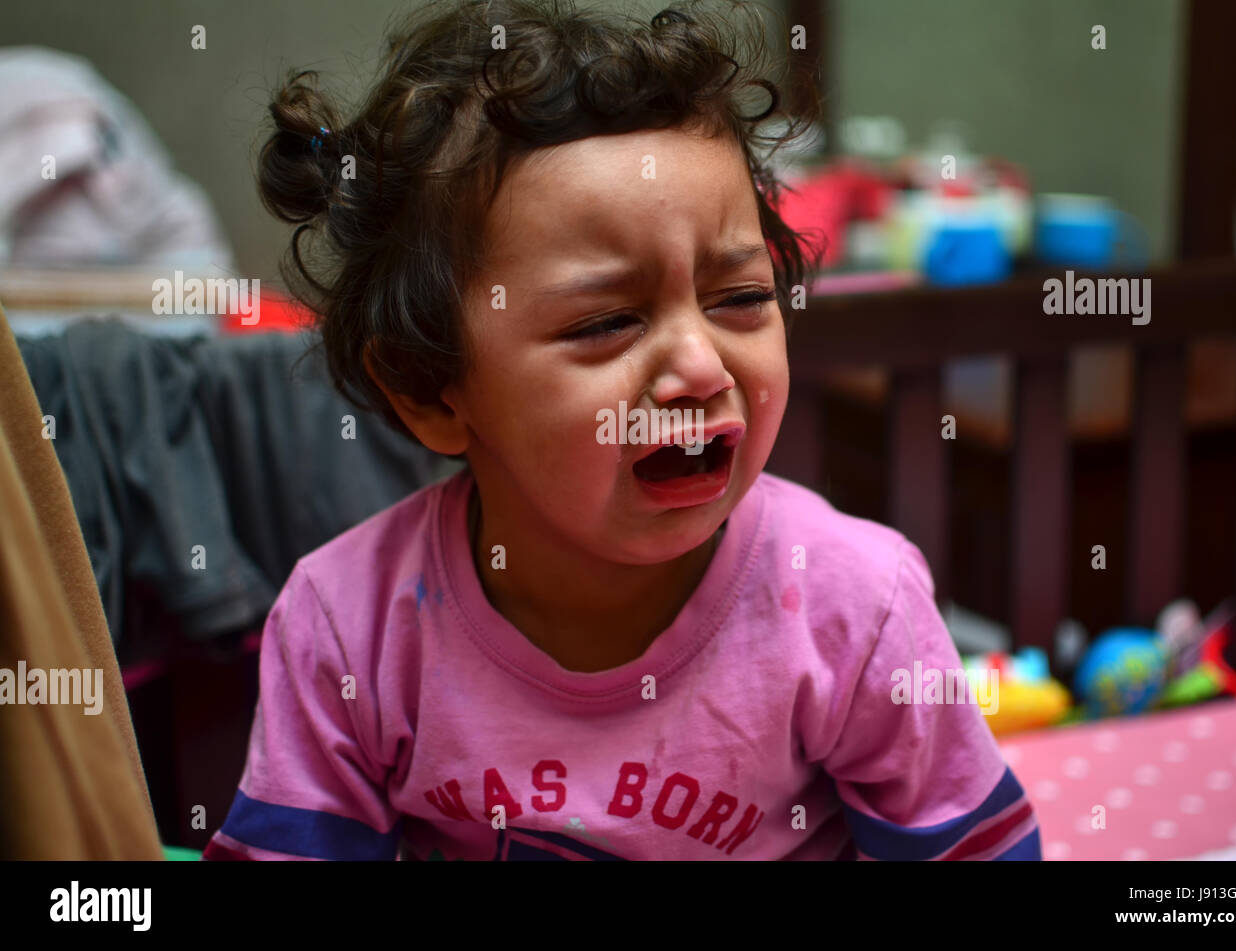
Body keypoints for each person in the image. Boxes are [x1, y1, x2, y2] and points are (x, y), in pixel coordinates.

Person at [204, 0, 1041, 861]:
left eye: (740, 299)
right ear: (432, 391)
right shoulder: (348, 626)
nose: (701, 367)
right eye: (606, 321)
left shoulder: (856, 606)